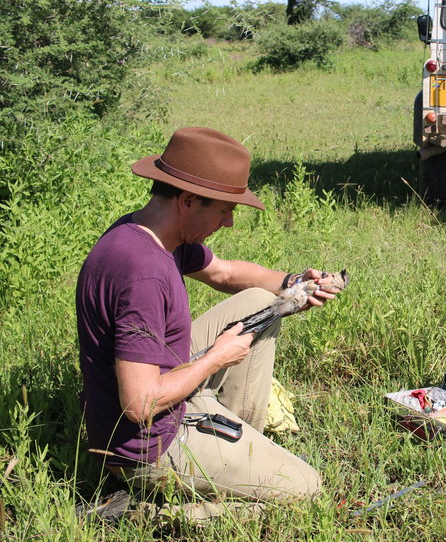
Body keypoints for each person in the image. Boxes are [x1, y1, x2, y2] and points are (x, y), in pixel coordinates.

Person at [76, 127, 339, 507]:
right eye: (225, 209)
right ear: (187, 200)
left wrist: (294, 284)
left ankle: (239, 441)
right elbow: (140, 403)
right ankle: (152, 513)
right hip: (148, 448)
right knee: (307, 490)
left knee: (260, 299)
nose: (229, 222)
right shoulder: (142, 273)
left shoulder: (148, 233)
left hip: (161, 393)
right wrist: (217, 356)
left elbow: (226, 273)